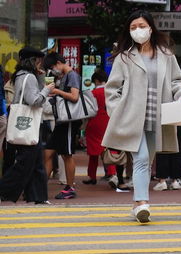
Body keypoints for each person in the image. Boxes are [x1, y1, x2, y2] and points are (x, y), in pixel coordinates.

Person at [102, 10, 181, 223]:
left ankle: (138, 205)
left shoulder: (166, 55)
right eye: (133, 28)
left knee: (148, 160)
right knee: (141, 158)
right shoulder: (124, 57)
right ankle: (142, 203)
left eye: (141, 26)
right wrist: (118, 113)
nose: (137, 31)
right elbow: (111, 89)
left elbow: (176, 82)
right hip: (132, 118)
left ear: (151, 28)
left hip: (157, 116)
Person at [0, 48, 50, 204]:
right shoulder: (29, 77)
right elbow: (33, 100)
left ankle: (38, 197)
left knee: (35, 163)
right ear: (32, 60)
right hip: (28, 125)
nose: (40, 63)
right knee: (24, 164)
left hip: (24, 124)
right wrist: (47, 90)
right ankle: (4, 190)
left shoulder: (22, 75)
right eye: (38, 60)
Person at [43, 52, 83, 200]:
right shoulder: (64, 76)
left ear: (59, 62)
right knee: (48, 152)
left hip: (69, 121)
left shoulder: (72, 75)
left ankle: (70, 187)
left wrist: (57, 91)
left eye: (53, 66)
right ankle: (41, 185)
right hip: (62, 120)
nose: (53, 70)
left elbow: (74, 96)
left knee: (67, 154)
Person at [82, 69, 121, 190]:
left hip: (94, 122)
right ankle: (113, 173)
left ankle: (92, 176)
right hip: (109, 121)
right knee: (109, 147)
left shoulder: (92, 93)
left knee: (93, 151)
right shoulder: (112, 92)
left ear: (96, 80)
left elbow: (88, 110)